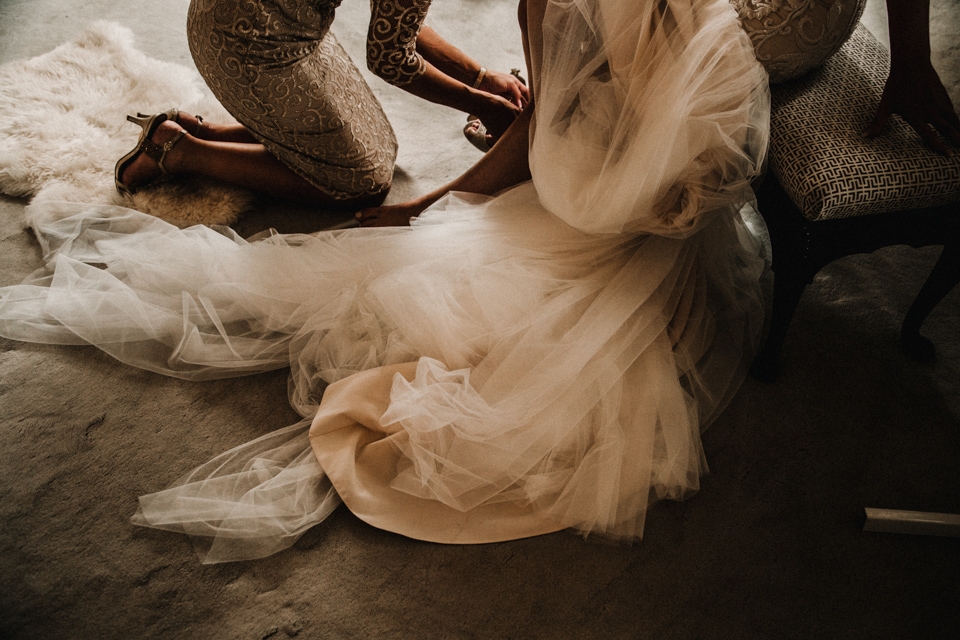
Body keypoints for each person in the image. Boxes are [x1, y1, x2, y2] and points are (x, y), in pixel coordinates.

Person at [114, 0, 529, 207]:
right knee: (362, 182)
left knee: (379, 144)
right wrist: (488, 107)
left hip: (274, 25)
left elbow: (400, 21)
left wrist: (480, 78)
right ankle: (180, 151)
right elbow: (390, 58)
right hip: (247, 46)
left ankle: (204, 130)